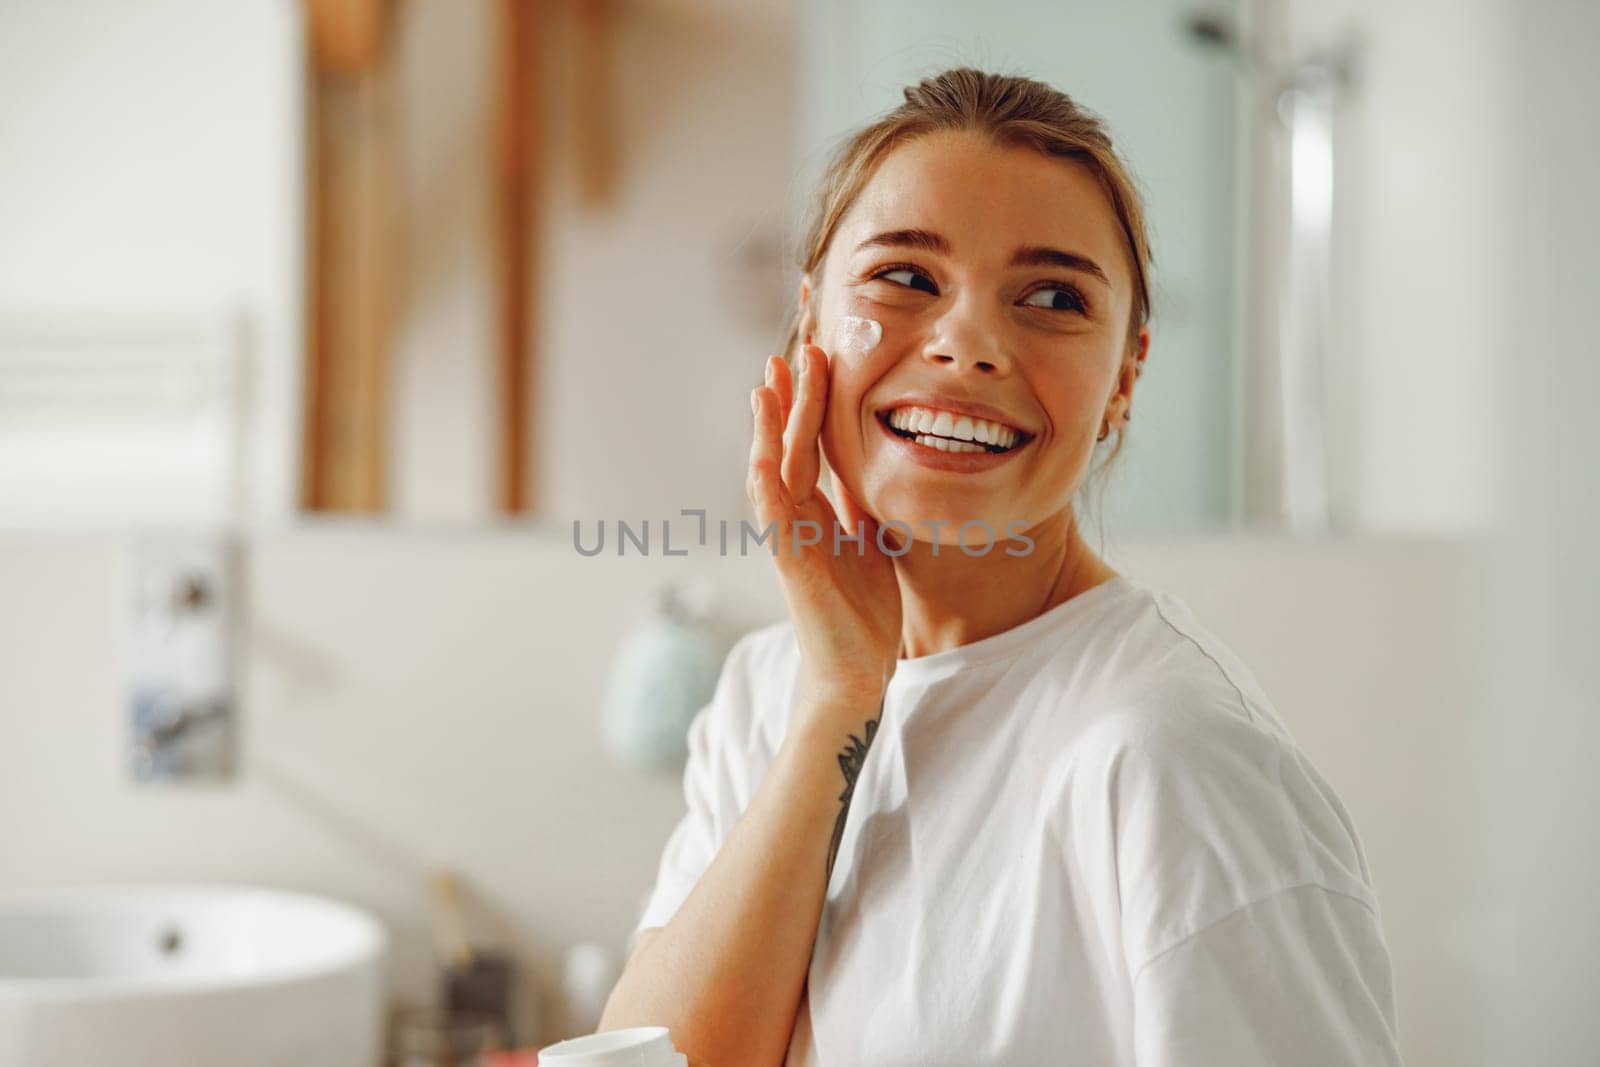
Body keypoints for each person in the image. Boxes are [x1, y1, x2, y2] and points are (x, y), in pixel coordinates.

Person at [598, 67, 1403, 1067]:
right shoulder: (770, 690)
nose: (968, 343)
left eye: (1053, 296)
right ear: (810, 323)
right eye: (905, 276)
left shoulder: (1170, 757)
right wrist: (839, 699)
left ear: (1123, 377)